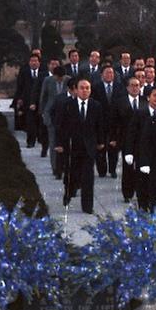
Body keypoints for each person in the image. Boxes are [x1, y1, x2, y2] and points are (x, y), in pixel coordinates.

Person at [55, 78, 105, 213]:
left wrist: (100, 142)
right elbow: (59, 126)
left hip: (89, 147)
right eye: (82, 88)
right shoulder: (67, 105)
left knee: (88, 178)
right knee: (72, 175)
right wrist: (59, 144)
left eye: (87, 88)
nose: (85, 91)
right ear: (76, 90)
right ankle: (68, 193)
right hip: (72, 146)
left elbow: (100, 126)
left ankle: (87, 206)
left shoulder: (96, 106)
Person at [124, 85, 156, 210]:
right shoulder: (140, 113)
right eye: (155, 95)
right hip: (142, 154)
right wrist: (129, 152)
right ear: (148, 97)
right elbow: (131, 134)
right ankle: (143, 209)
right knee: (143, 184)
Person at [111, 77, 148, 203]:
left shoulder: (145, 101)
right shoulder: (120, 102)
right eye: (132, 85)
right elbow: (114, 121)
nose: (135, 87)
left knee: (141, 167)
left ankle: (140, 191)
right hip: (126, 139)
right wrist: (113, 138)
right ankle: (127, 193)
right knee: (128, 168)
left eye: (137, 85)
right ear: (127, 87)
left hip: (142, 140)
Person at [93, 65, 125, 178]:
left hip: (114, 122)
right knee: (100, 147)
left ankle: (112, 169)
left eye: (111, 73)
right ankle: (102, 169)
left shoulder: (119, 87)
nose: (109, 75)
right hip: (100, 122)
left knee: (113, 148)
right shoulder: (96, 87)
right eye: (107, 73)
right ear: (101, 75)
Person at [13, 54, 46, 147]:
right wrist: (19, 99)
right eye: (32, 61)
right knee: (30, 122)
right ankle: (30, 141)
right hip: (27, 101)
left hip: (40, 101)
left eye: (36, 61)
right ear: (29, 62)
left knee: (40, 121)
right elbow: (20, 87)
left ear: (39, 63)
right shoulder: (24, 72)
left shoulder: (44, 73)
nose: (34, 63)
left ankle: (41, 139)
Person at [40, 63, 67, 173]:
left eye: (62, 78)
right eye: (58, 78)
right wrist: (43, 113)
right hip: (51, 115)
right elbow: (43, 97)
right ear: (54, 76)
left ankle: (64, 165)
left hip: (65, 116)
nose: (60, 80)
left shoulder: (68, 80)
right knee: (53, 142)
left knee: (64, 143)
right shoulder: (48, 80)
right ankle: (55, 167)